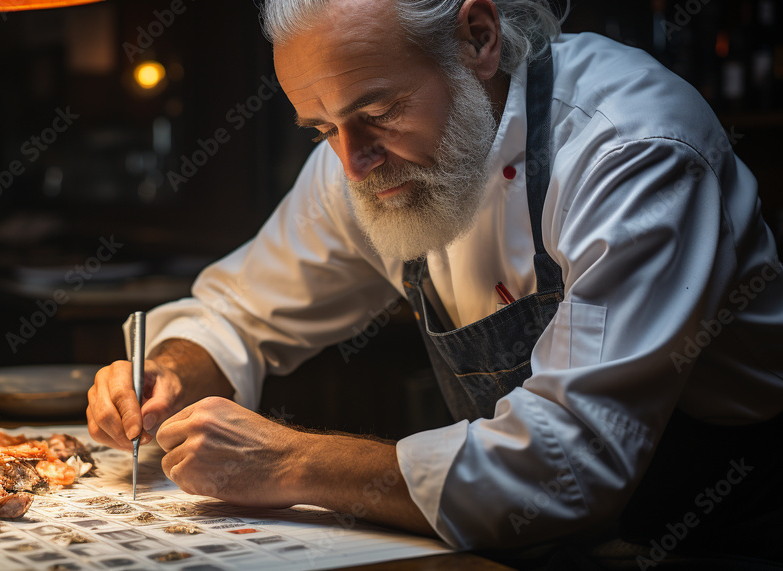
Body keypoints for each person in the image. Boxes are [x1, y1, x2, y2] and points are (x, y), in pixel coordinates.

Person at [88, 0, 783, 564]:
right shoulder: (364, 160)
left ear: (478, 38)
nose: (353, 164)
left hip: (718, 530)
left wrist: (296, 460)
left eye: (379, 113)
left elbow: (572, 459)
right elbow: (236, 309)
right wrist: (170, 369)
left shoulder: (631, 148)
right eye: (321, 129)